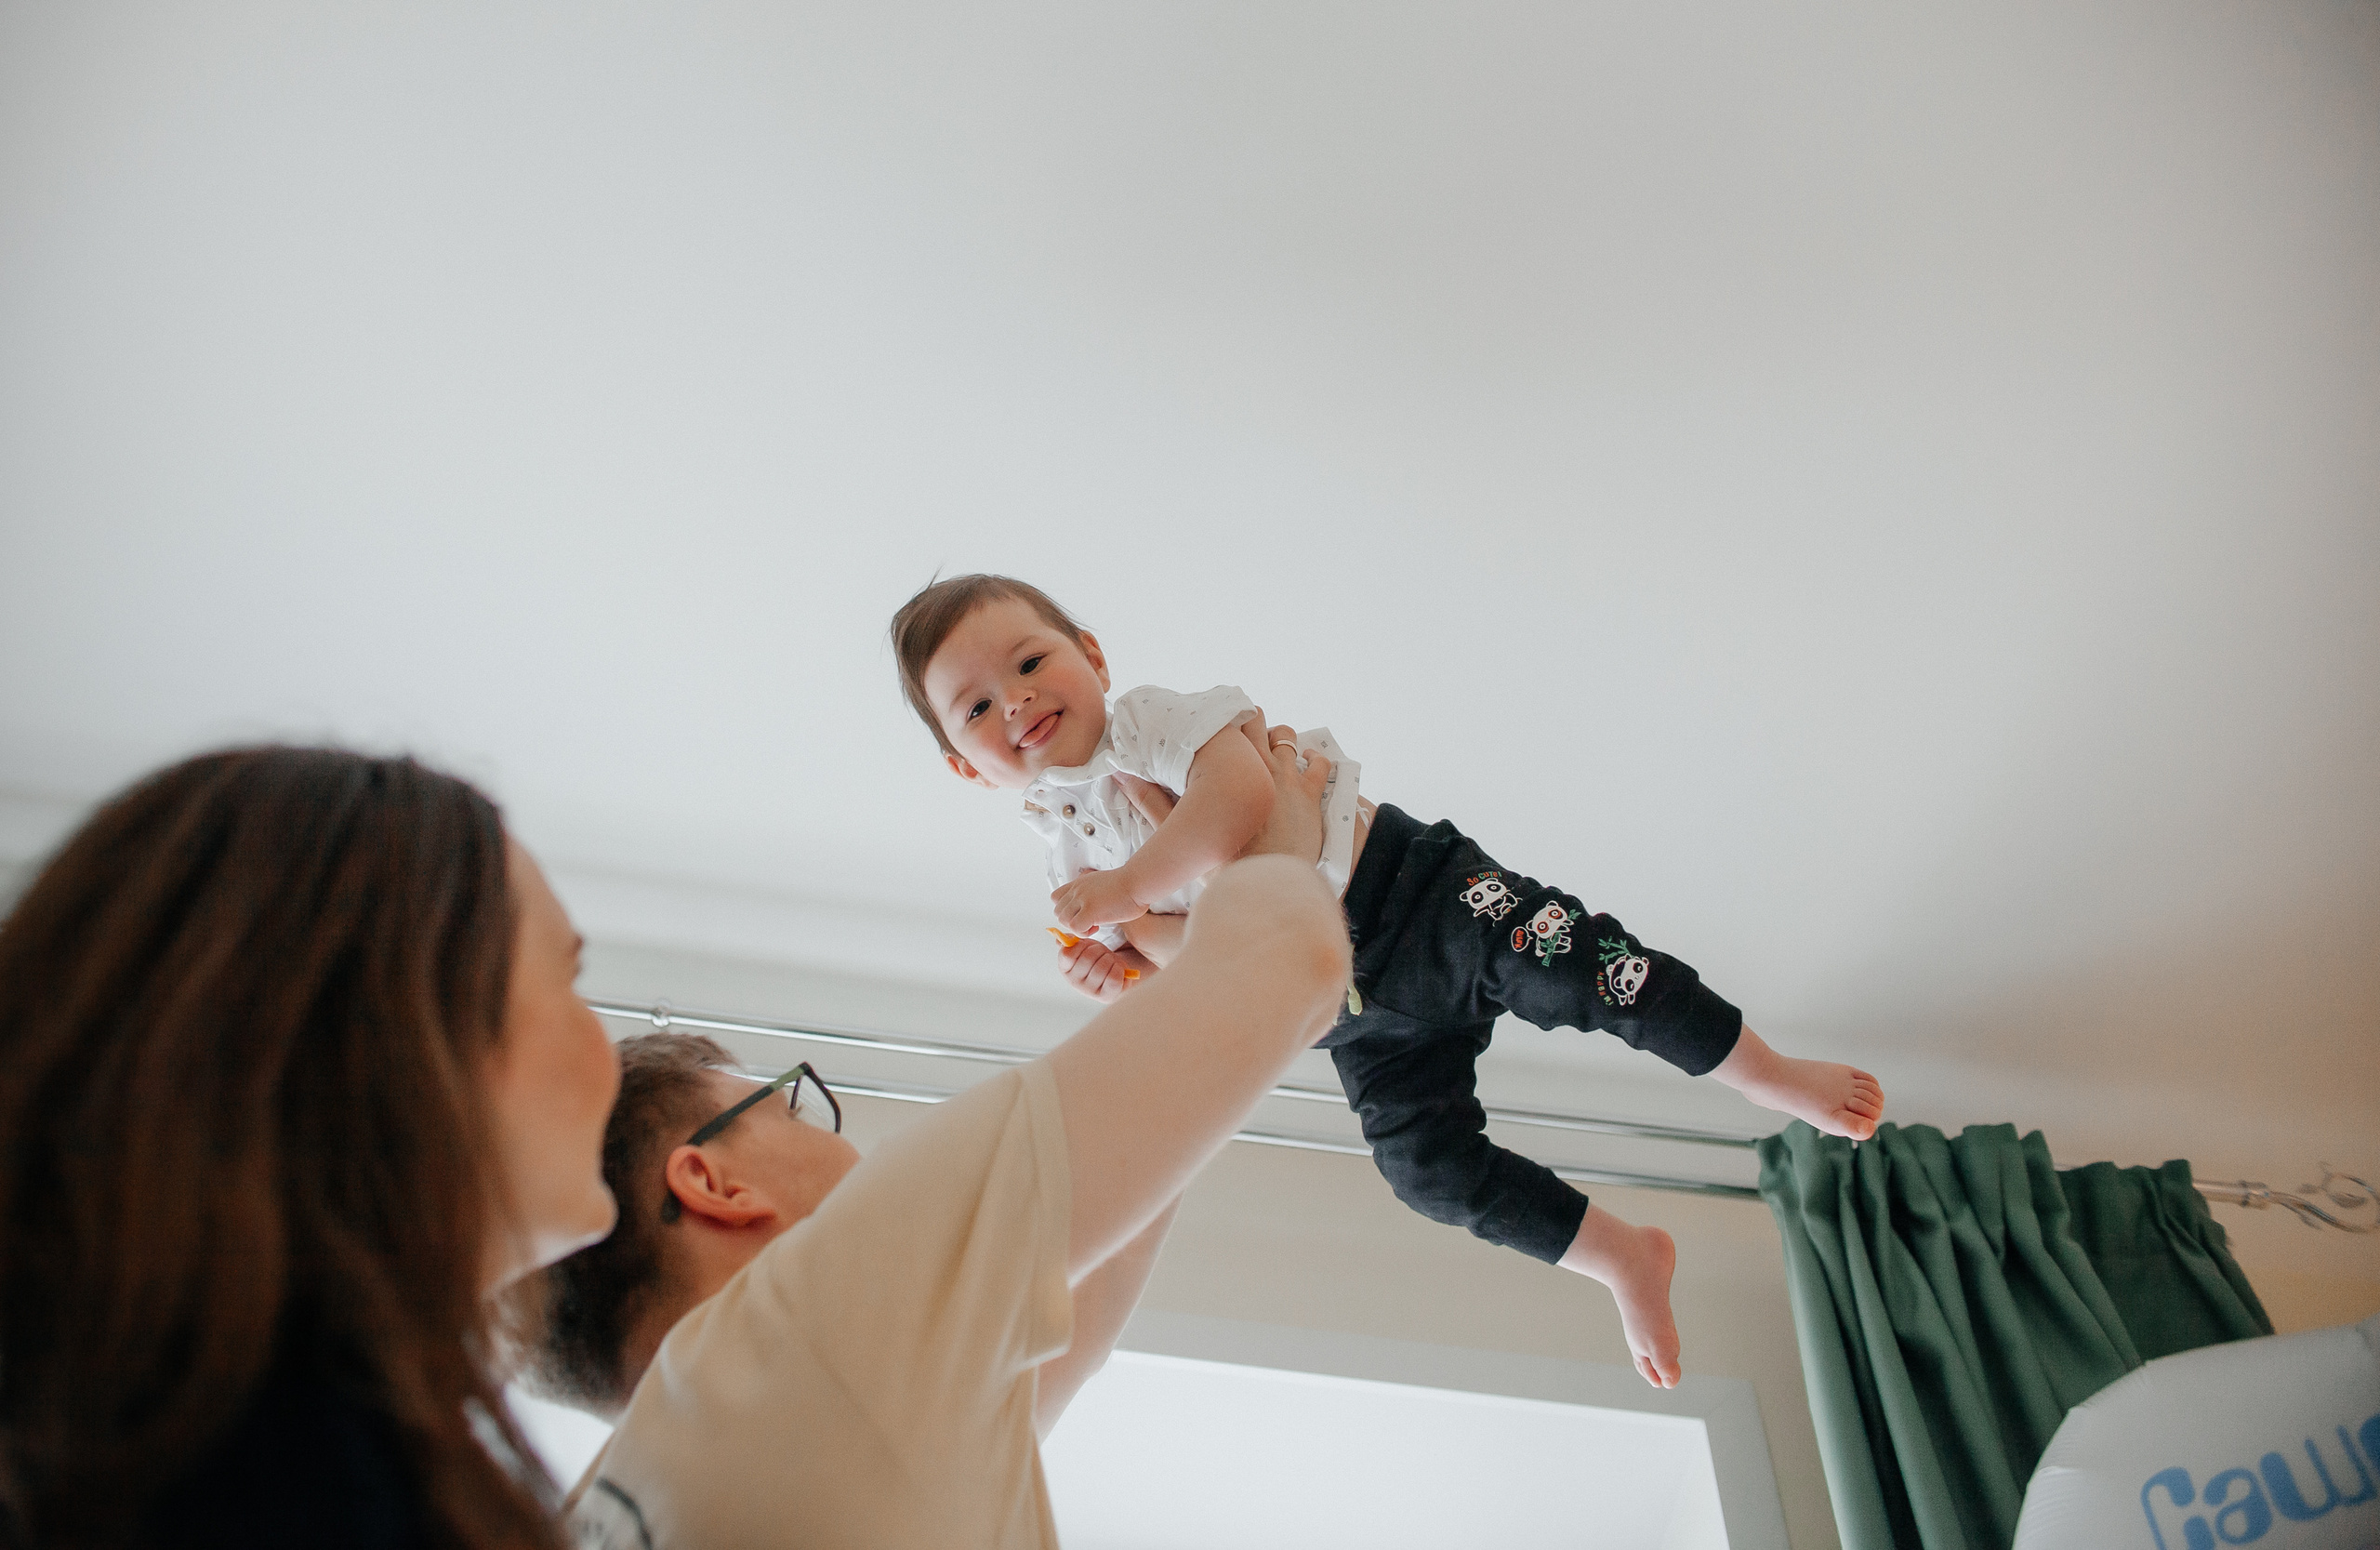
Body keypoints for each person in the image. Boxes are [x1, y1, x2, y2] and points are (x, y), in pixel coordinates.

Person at [888, 573, 1887, 1389]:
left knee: (1599, 971)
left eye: (1030, 660)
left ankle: (1763, 1069)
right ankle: (1620, 1253)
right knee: (1425, 1171)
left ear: (1091, 657)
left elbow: (1238, 800)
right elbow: (1211, 958)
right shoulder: (1064, 855)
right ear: (967, 768)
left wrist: (1132, 890)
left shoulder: (1144, 725)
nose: (1015, 697)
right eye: (976, 705)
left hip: (1421, 895)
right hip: (1350, 1015)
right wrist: (1132, 970)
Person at [521, 722, 1349, 1549]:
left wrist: (1162, 1000)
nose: (844, 1139)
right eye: (794, 1106)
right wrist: (1281, 842)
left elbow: (1100, 1260)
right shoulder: (808, 1328)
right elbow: (1288, 956)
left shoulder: (653, 1491)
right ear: (713, 1182)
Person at [0, 747, 621, 1549]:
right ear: (409, 1034)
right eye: (568, 978)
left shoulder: (122, 1436)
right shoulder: (293, 1489)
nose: (606, 1048)